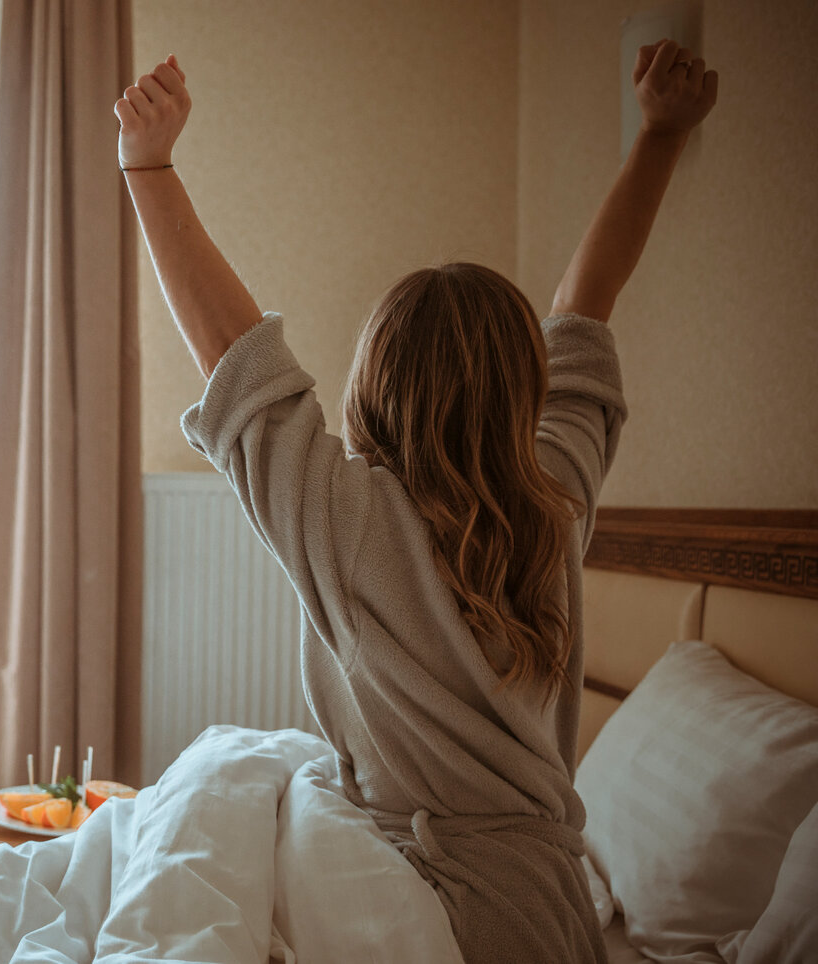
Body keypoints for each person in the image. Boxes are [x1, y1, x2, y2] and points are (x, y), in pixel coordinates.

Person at [115, 41, 717, 964]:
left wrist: (148, 165)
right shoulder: (553, 502)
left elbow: (234, 354)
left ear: (374, 387)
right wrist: (661, 139)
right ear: (526, 389)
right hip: (543, 913)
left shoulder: (348, 518)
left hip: (418, 904)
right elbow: (586, 306)